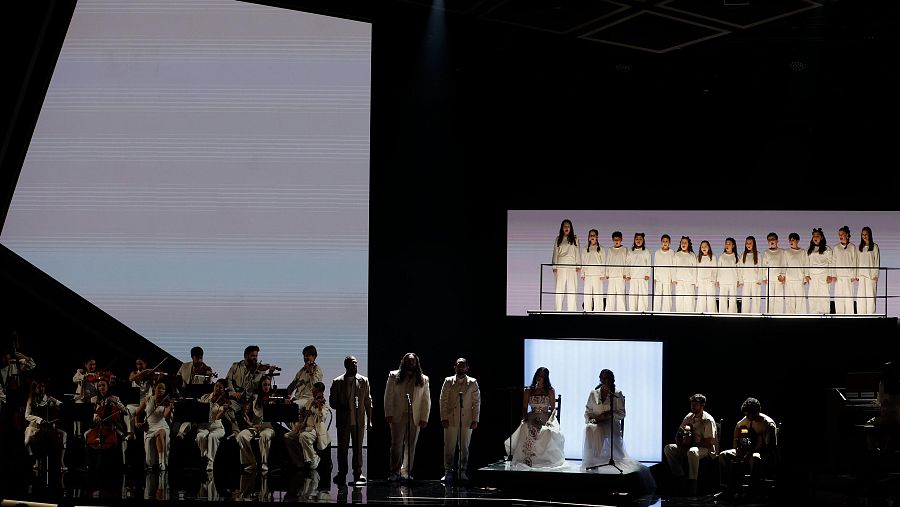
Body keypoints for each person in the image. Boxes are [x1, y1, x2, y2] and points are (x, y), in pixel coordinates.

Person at [504, 367, 564, 469]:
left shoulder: (550, 390)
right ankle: (527, 458)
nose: (539, 378)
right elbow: (524, 408)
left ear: (546, 378)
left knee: (547, 431)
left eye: (542, 376)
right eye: (538, 375)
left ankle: (544, 459)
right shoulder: (528, 390)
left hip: (546, 418)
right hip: (532, 417)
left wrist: (549, 421)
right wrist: (526, 417)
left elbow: (553, 410)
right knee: (525, 428)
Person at [718, 397, 777, 499]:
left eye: (749, 414)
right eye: (746, 414)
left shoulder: (767, 424)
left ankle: (753, 490)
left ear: (757, 411)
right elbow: (737, 429)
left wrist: (750, 452)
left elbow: (770, 447)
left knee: (755, 457)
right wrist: (737, 447)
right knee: (724, 455)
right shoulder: (746, 420)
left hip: (762, 453)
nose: (747, 416)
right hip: (746, 451)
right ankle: (729, 487)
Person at [384, 352, 431, 481]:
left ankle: (406, 472)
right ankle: (395, 472)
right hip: (398, 415)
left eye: (413, 361)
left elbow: (426, 400)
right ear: (404, 362)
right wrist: (388, 413)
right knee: (396, 444)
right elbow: (388, 396)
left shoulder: (423, 378)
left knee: (411, 445)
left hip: (415, 416)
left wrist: (424, 418)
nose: (411, 363)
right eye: (408, 360)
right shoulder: (394, 376)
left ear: (416, 363)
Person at [329, 355, 373, 485]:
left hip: (358, 421)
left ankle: (358, 473)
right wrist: (341, 405)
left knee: (358, 448)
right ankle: (342, 473)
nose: (355, 365)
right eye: (352, 363)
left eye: (356, 363)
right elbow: (332, 402)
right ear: (346, 365)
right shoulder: (337, 382)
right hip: (343, 421)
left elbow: (368, 401)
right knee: (342, 448)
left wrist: (369, 420)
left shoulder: (364, 381)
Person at [663, 394, 718, 496]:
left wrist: (691, 445)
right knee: (669, 448)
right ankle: (679, 477)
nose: (692, 406)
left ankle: (693, 483)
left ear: (702, 405)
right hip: (690, 446)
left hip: (706, 449)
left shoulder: (708, 420)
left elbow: (709, 442)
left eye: (696, 404)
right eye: (692, 403)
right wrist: (680, 446)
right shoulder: (689, 416)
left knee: (692, 452)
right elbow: (679, 433)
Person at [439, 358, 481, 484]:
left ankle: (462, 471)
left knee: (464, 447)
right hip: (451, 419)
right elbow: (443, 400)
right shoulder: (448, 381)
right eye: (459, 365)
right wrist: (443, 417)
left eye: (463, 366)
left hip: (466, 419)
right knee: (449, 447)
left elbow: (476, 402)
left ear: (467, 368)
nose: (461, 367)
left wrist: (475, 419)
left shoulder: (473, 382)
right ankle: (448, 471)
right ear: (455, 367)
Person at [226, 345, 278, 434]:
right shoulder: (235, 366)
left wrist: (269, 372)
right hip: (237, 398)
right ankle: (236, 431)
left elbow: (259, 384)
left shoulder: (259, 369)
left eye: (256, 356)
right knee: (227, 409)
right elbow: (228, 380)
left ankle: (254, 429)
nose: (255, 358)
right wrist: (233, 393)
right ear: (246, 356)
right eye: (253, 356)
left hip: (250, 399)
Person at [582, 368, 626, 469]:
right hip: (597, 422)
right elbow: (588, 411)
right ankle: (592, 459)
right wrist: (591, 418)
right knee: (589, 428)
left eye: (606, 378)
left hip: (610, 423)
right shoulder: (594, 393)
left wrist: (608, 415)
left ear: (611, 380)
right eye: (602, 378)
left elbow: (622, 414)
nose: (604, 380)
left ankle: (602, 459)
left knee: (599, 430)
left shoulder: (617, 394)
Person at [284, 381, 330, 470]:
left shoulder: (324, 405)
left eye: (315, 392)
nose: (313, 393)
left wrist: (318, 407)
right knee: (287, 436)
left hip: (315, 430)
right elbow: (303, 414)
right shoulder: (309, 402)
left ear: (320, 392)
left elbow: (322, 418)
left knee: (303, 436)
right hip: (305, 427)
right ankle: (299, 460)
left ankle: (313, 457)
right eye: (313, 391)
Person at [24, 380, 67, 472]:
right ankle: (35, 459)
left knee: (64, 434)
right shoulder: (31, 400)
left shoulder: (48, 398)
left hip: (49, 426)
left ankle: (61, 461)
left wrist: (55, 401)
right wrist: (39, 420)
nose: (42, 389)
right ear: (35, 389)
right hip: (35, 426)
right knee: (27, 440)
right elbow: (27, 416)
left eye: (43, 386)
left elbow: (62, 406)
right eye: (39, 387)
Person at [238, 376, 278, 472]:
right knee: (241, 436)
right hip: (255, 427)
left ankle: (264, 463)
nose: (267, 387)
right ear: (260, 386)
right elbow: (244, 413)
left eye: (268, 385)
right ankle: (252, 462)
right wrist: (250, 424)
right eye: (265, 385)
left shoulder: (273, 398)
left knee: (265, 435)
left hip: (268, 427)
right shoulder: (254, 398)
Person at [133, 381, 175, 471]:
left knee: (160, 433)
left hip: (161, 425)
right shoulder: (147, 399)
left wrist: (170, 408)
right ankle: (153, 463)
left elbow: (165, 415)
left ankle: (161, 462)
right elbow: (136, 413)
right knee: (150, 461)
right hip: (149, 427)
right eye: (159, 388)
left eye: (163, 389)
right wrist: (136, 423)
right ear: (154, 388)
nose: (161, 390)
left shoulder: (166, 402)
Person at [197, 379, 229, 472]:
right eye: (216, 386)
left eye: (220, 387)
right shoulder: (205, 397)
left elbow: (217, 417)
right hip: (204, 426)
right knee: (200, 436)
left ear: (224, 390)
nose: (217, 388)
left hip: (217, 428)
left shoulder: (223, 401)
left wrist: (223, 410)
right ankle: (203, 456)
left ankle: (210, 462)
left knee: (212, 436)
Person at [551, 219, 581, 312]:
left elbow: (577, 252)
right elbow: (555, 252)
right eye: (565, 226)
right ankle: (558, 310)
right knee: (559, 289)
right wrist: (554, 266)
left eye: (568, 226)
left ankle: (572, 311)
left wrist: (578, 265)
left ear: (571, 228)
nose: (566, 228)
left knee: (572, 288)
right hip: (561, 265)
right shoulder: (558, 238)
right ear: (562, 228)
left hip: (572, 265)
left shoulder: (575, 238)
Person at [286, 345, 324, 410]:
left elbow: (316, 387)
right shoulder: (301, 371)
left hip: (308, 401)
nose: (305, 357)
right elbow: (292, 385)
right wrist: (286, 396)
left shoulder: (318, 370)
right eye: (304, 356)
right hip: (297, 400)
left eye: (308, 355)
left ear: (314, 356)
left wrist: (311, 372)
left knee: (292, 406)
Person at [807, 228, 834, 314]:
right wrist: (806, 275)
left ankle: (825, 313)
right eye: (814, 236)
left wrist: (830, 275)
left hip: (824, 275)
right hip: (812, 275)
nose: (815, 237)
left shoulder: (827, 249)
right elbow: (807, 262)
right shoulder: (810, 249)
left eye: (817, 236)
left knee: (824, 295)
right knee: (812, 295)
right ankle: (813, 313)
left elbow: (831, 262)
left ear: (821, 237)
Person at [833, 225, 859, 314]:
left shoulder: (852, 247)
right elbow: (833, 262)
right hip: (839, 277)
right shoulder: (836, 248)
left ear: (847, 235)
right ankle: (839, 317)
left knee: (849, 299)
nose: (840, 236)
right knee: (839, 299)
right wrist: (834, 275)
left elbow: (855, 261)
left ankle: (849, 317)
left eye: (842, 234)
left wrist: (854, 275)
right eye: (839, 234)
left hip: (848, 278)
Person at [580, 229, 607, 312]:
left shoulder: (601, 249)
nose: (592, 237)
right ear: (588, 237)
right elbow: (583, 262)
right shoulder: (585, 249)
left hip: (597, 275)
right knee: (587, 294)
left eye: (594, 235)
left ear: (597, 237)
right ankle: (587, 310)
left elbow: (603, 262)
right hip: (588, 275)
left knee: (598, 294)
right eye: (590, 235)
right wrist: (582, 274)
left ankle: (598, 311)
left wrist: (603, 273)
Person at [783, 232, 810, 314]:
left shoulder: (803, 252)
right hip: (789, 280)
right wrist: (783, 276)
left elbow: (806, 264)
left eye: (793, 240)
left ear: (797, 241)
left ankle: (801, 317)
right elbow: (784, 264)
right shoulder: (786, 252)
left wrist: (806, 277)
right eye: (790, 240)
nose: (791, 242)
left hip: (799, 279)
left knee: (800, 300)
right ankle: (790, 317)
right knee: (789, 301)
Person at [626, 232, 651, 312]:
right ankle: (633, 312)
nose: (638, 240)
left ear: (643, 240)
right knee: (633, 296)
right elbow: (627, 263)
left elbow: (649, 263)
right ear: (634, 240)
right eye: (637, 239)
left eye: (640, 239)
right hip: (633, 277)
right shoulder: (630, 251)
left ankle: (642, 312)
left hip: (643, 277)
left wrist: (648, 274)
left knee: (642, 296)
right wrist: (628, 274)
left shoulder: (646, 251)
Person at [858, 226, 881, 314]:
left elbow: (877, 261)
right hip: (862, 276)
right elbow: (858, 262)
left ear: (869, 235)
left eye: (866, 234)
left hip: (871, 276)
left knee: (871, 297)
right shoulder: (860, 247)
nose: (864, 236)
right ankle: (861, 316)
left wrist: (875, 275)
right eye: (863, 234)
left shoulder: (874, 247)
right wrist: (857, 274)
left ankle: (871, 316)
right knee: (861, 298)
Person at [762, 233, 786, 314]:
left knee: (779, 299)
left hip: (779, 278)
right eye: (769, 240)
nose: (771, 241)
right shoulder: (766, 252)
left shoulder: (782, 251)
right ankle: (769, 315)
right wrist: (764, 278)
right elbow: (764, 266)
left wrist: (783, 275)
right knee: (770, 299)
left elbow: (784, 264)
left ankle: (778, 316)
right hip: (769, 279)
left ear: (777, 240)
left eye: (773, 239)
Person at [673, 236, 697, 313]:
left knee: (689, 301)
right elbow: (673, 267)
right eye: (682, 242)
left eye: (685, 243)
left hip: (689, 282)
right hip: (679, 281)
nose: (683, 244)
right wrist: (674, 279)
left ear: (688, 244)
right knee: (679, 301)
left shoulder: (692, 255)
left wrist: (694, 281)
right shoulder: (677, 255)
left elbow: (695, 269)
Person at [605, 231, 628, 311]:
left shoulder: (624, 250)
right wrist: (607, 273)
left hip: (621, 276)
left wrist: (626, 273)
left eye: (618, 239)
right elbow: (607, 261)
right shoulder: (610, 250)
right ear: (612, 240)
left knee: (621, 295)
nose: (616, 241)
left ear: (621, 239)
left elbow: (626, 262)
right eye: (615, 239)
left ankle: (621, 312)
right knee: (610, 295)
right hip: (611, 275)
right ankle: (609, 311)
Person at [739, 236, 763, 313]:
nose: (748, 244)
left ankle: (755, 315)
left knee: (756, 300)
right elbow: (740, 268)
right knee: (745, 300)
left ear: (754, 244)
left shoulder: (758, 255)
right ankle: (745, 315)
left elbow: (761, 267)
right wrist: (741, 280)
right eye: (747, 243)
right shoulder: (743, 255)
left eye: (750, 243)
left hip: (755, 281)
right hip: (746, 281)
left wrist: (759, 279)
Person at [653, 234, 675, 312]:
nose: (665, 243)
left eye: (667, 241)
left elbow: (673, 266)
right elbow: (655, 265)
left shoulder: (672, 252)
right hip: (659, 278)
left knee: (667, 297)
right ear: (661, 242)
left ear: (669, 242)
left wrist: (673, 278)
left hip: (668, 278)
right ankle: (656, 312)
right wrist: (655, 277)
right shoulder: (657, 252)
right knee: (657, 296)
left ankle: (666, 313)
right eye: (663, 241)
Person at [717, 238, 740, 313]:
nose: (727, 245)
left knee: (732, 299)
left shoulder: (736, 257)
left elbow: (739, 269)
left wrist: (738, 280)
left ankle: (732, 314)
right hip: (723, 281)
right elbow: (718, 269)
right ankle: (722, 313)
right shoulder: (721, 256)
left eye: (729, 244)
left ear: (733, 246)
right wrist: (718, 280)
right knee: (723, 299)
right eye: (726, 243)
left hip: (733, 280)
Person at [695, 240, 717, 313]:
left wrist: (713, 280)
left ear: (709, 247)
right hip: (701, 282)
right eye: (702, 246)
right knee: (701, 302)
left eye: (705, 246)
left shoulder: (713, 257)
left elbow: (715, 270)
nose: (704, 248)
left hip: (710, 282)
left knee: (711, 301)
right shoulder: (698, 258)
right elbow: (697, 270)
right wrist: (697, 283)